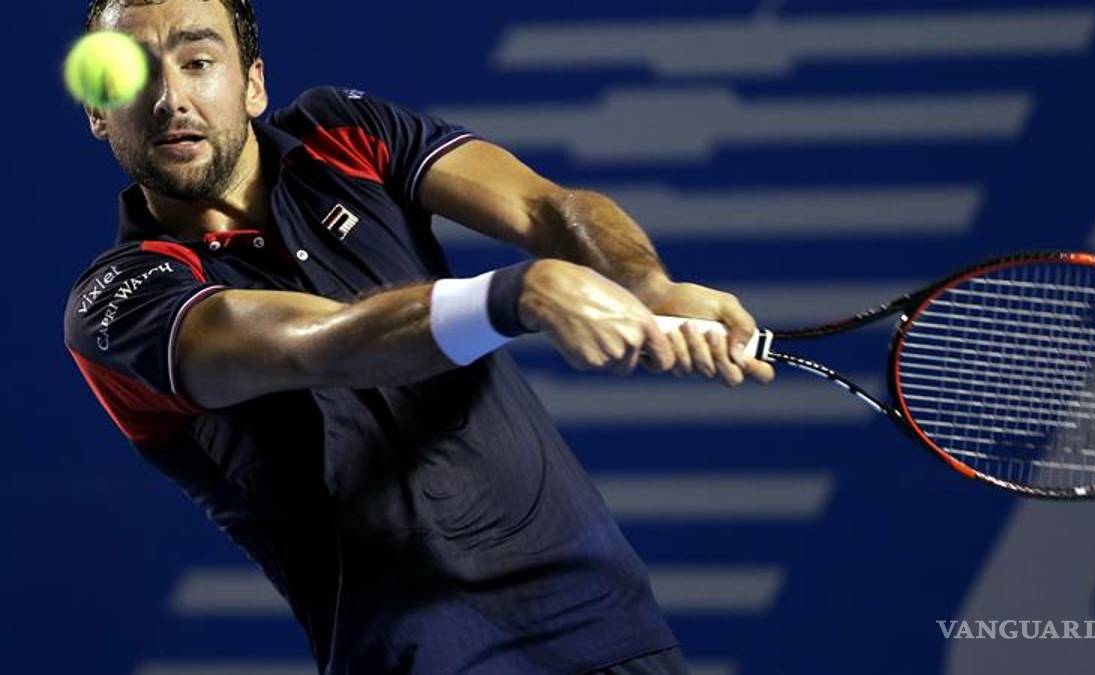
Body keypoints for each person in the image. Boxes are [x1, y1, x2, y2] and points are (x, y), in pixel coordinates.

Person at [64, 1, 775, 673]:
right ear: (98, 111)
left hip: (605, 619)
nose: (169, 98)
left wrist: (647, 284)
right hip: (415, 657)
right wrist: (514, 295)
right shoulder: (119, 303)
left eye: (197, 62)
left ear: (252, 85)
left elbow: (543, 206)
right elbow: (319, 343)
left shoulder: (340, 131)